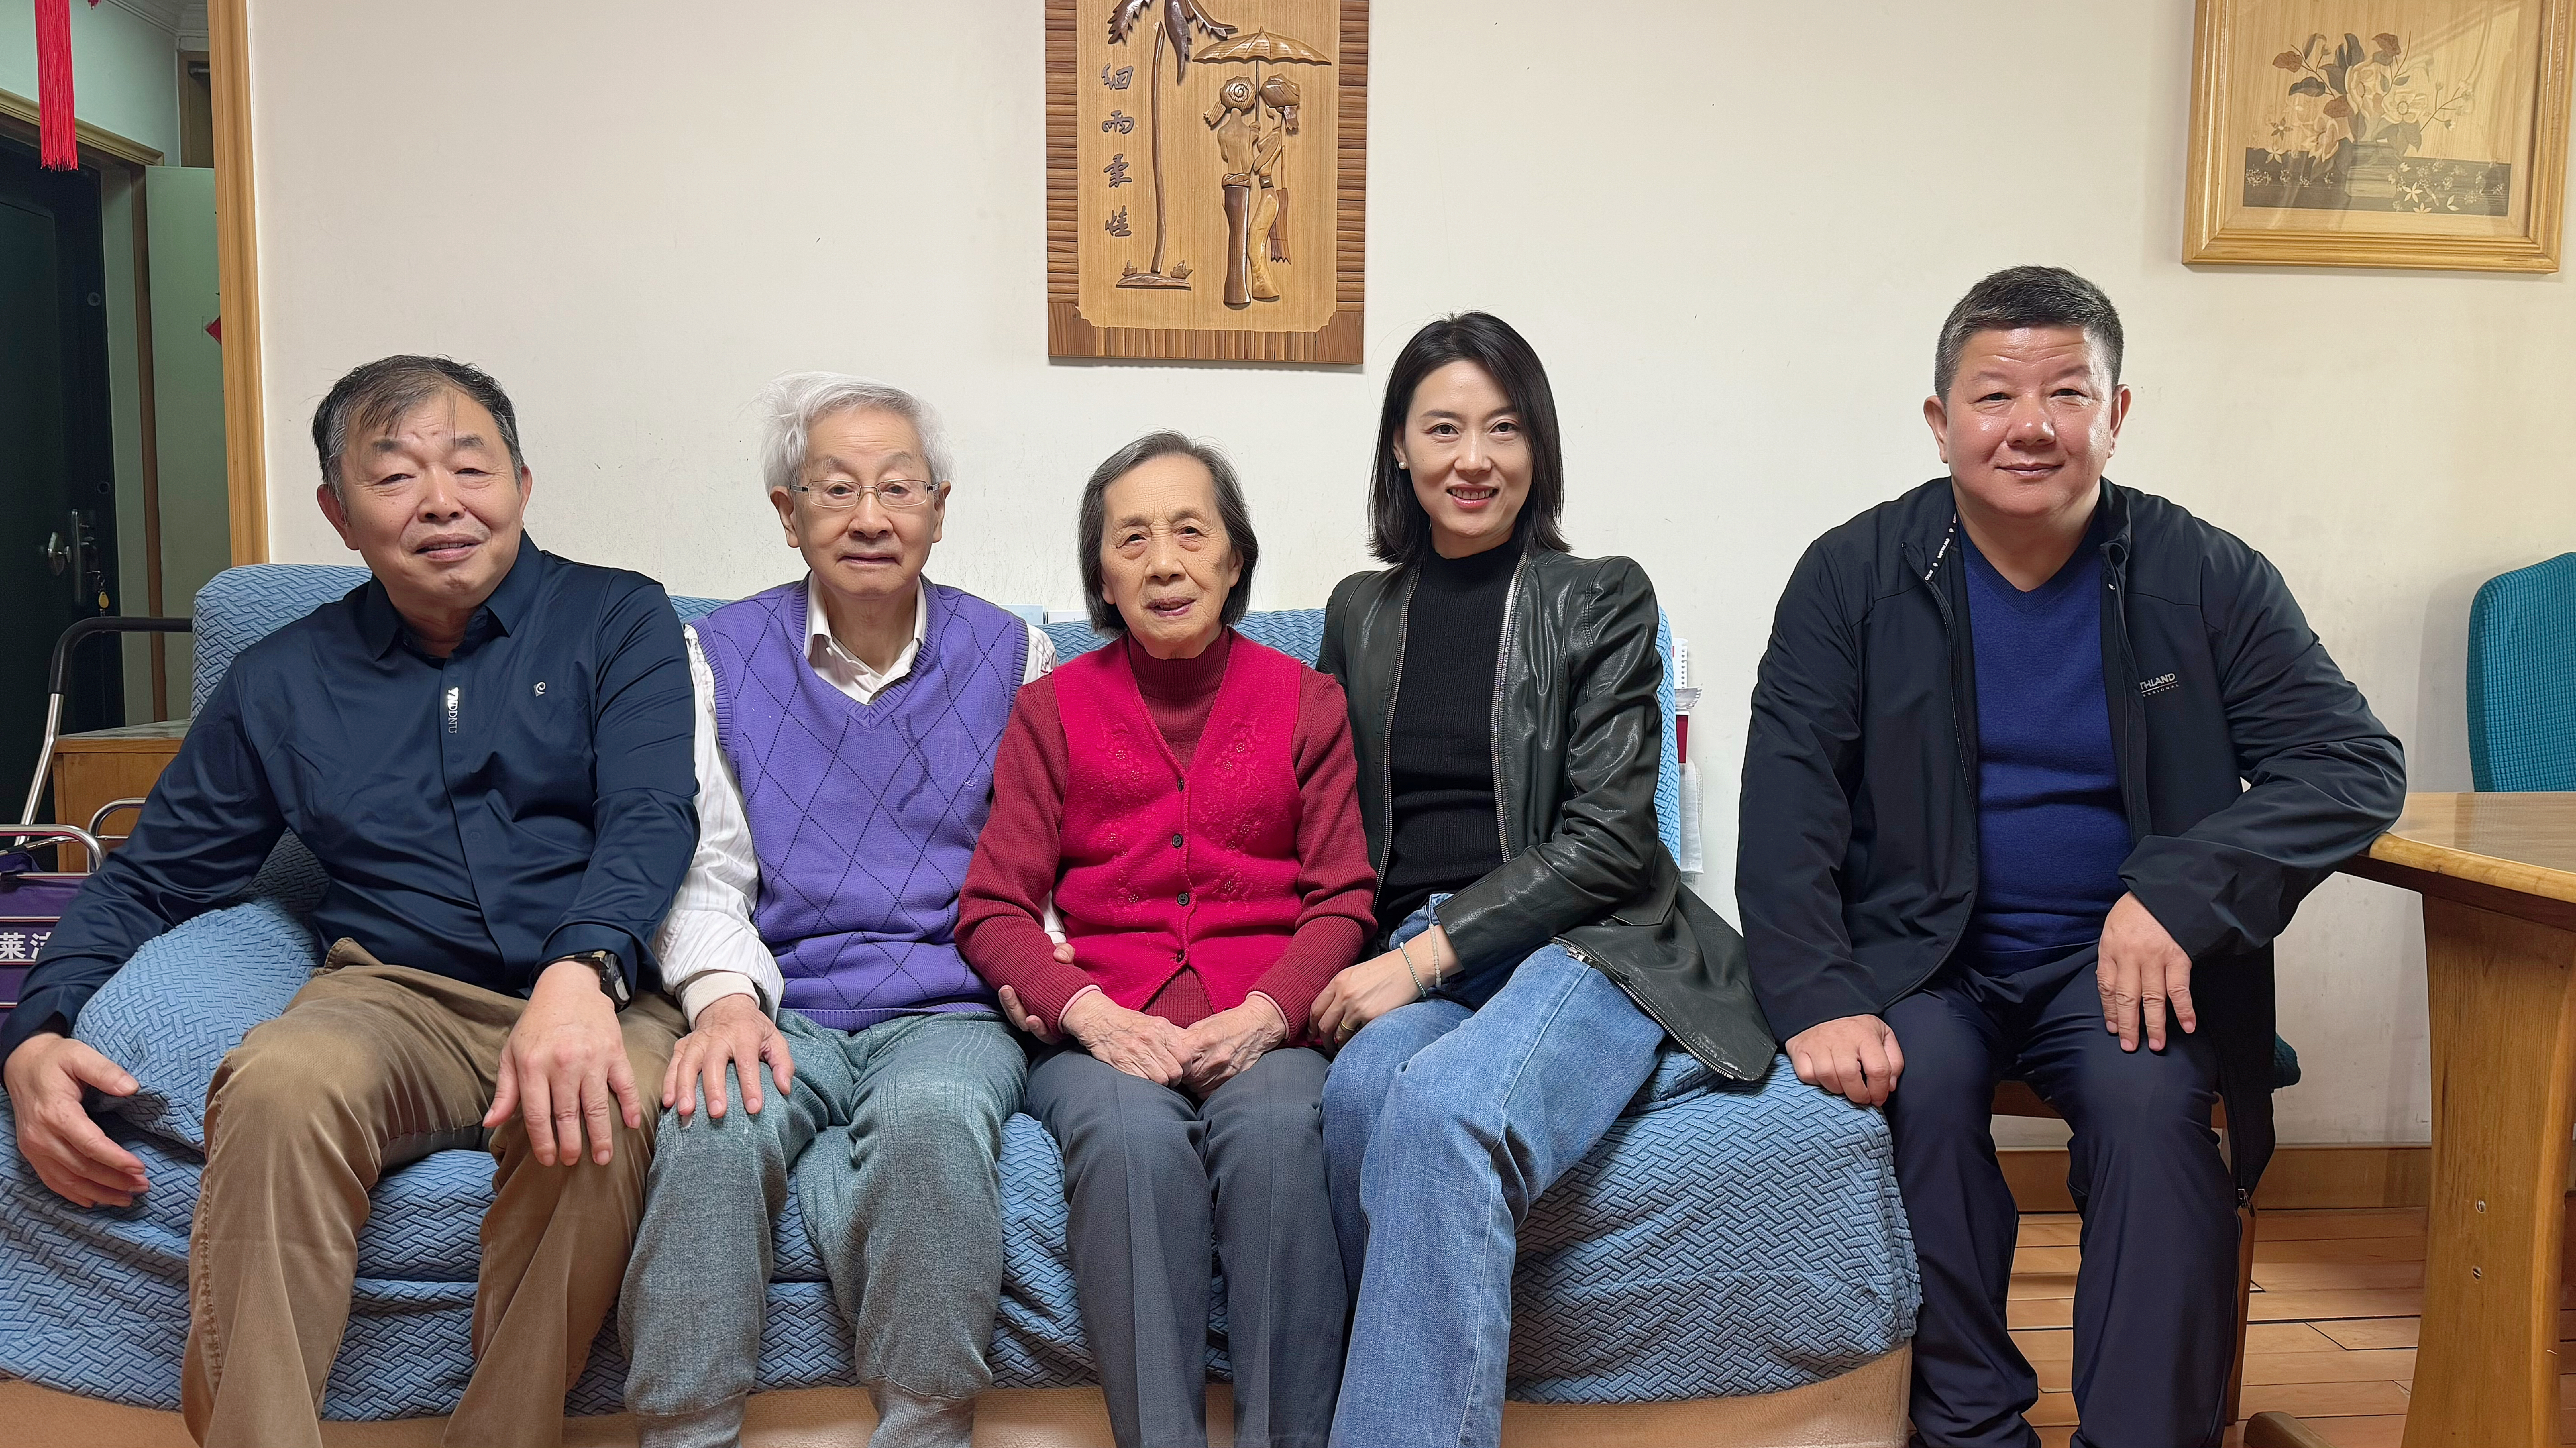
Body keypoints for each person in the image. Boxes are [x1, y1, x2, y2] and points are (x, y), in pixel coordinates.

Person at [1736, 266, 2406, 1448]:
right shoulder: (1850, 574)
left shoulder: (2200, 573)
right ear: (1939, 419)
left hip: (2118, 968)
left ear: (2116, 412)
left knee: (2149, 1108)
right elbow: (1786, 808)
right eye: (1993, 394)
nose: (2030, 425)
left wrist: (2178, 893)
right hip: (1920, 956)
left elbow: (2351, 762)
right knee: (1911, 1088)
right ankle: (1966, 1427)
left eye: (2066, 392)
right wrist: (1819, 993)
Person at [0, 356, 698, 1448]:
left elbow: (652, 813)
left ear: (521, 482)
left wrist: (583, 970)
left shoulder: (617, 617)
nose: (442, 501)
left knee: (603, 1104)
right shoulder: (283, 677)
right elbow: (151, 875)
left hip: (599, 989)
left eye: (470, 467)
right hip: (392, 994)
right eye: (396, 475)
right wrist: (36, 1029)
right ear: (337, 511)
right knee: (280, 1082)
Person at [1312, 312, 1774, 1448]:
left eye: (1504, 427)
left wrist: (1422, 958)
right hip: (1418, 944)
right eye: (1443, 428)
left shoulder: (1600, 595)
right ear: (1399, 449)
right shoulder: (1359, 613)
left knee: (1446, 1109)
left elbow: (1611, 843)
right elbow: (1321, 823)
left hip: (1592, 940)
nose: (1473, 458)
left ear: (1538, 445)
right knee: (1357, 1095)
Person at [614, 375, 1056, 1448]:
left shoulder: (1015, 654)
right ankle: (684, 1429)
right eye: (836, 487)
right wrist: (723, 1002)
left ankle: (925, 1426)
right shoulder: (716, 654)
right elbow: (707, 869)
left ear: (939, 508)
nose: (870, 516)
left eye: (898, 487)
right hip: (783, 999)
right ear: (787, 510)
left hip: (953, 1006)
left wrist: (1051, 988)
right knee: (712, 1121)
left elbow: (1038, 872)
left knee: (930, 1122)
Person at [957, 431, 1372, 1448]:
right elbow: (993, 908)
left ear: (1234, 558)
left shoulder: (1308, 702)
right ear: (1102, 576)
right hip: (1104, 1028)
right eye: (1131, 538)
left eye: (1190, 531)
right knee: (1129, 1144)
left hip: (1266, 1022)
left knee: (1278, 1138)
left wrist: (1267, 1012)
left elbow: (1342, 897)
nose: (1163, 562)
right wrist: (1088, 1014)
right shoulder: (1049, 712)